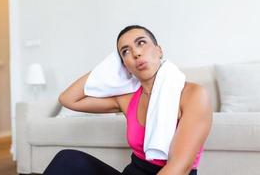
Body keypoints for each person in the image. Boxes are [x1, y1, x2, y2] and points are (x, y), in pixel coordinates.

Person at [43, 25, 212, 175]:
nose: (136, 53)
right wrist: (109, 65)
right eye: (126, 51)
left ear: (159, 50)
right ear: (124, 66)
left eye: (141, 43)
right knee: (68, 159)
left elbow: (179, 168)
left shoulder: (193, 94)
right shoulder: (127, 99)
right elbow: (68, 99)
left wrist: (125, 54)